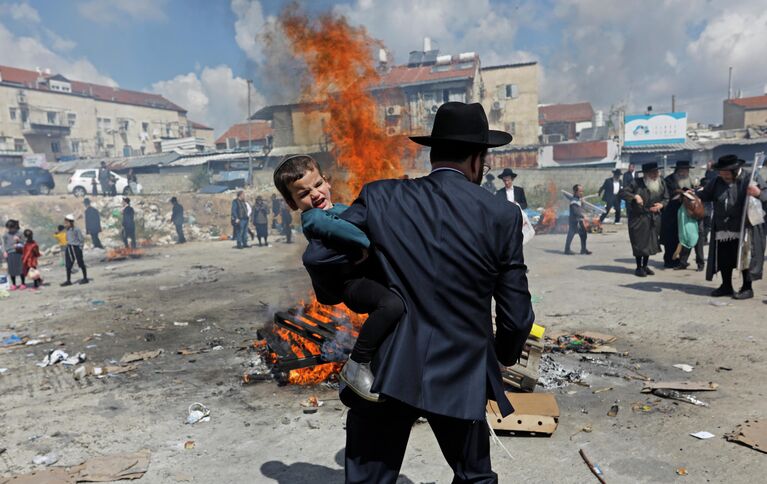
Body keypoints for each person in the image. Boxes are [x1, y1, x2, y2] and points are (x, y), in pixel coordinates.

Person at [340, 102, 534, 482]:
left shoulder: (381, 197)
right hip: (461, 367)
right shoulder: (501, 215)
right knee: (474, 476)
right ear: (478, 159)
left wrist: (352, 291)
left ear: (433, 153)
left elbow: (323, 250)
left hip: (389, 366)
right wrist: (501, 356)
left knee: (368, 479)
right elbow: (516, 315)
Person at [274, 154, 406, 401]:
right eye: (303, 194)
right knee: (392, 305)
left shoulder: (342, 209)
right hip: (351, 285)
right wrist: (369, 244)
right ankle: (357, 362)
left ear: (327, 181)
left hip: (365, 280)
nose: (314, 194)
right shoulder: (313, 218)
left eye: (317, 185)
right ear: (292, 204)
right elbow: (341, 228)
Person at [697, 154, 767, 300]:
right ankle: (726, 286)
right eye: (721, 173)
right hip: (724, 227)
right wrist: (693, 194)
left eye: (727, 174)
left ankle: (747, 288)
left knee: (745, 258)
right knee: (724, 258)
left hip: (745, 227)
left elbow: (765, 194)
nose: (724, 176)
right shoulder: (716, 181)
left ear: (736, 170)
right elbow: (705, 195)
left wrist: (758, 193)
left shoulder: (751, 178)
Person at [622, 162, 669, 277]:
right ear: (646, 174)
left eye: (656, 172)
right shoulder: (636, 183)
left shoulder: (661, 182)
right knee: (639, 243)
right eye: (653, 173)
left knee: (649, 243)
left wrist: (661, 205)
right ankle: (638, 267)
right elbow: (623, 193)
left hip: (654, 218)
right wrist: (635, 196)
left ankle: (645, 266)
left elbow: (666, 197)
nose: (655, 174)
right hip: (639, 218)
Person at [661, 160, 695, 268]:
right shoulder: (669, 180)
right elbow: (666, 195)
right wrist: (678, 192)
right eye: (684, 170)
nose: (686, 172)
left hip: (684, 214)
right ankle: (669, 260)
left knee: (682, 237)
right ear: (678, 170)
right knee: (670, 239)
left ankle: (680, 259)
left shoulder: (689, 180)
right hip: (671, 214)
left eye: (687, 170)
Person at [565, 184, 592, 255]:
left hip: (579, 220)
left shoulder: (578, 200)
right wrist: (584, 215)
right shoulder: (573, 201)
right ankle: (567, 249)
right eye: (580, 191)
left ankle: (583, 249)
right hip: (574, 221)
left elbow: (582, 208)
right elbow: (576, 212)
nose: (582, 193)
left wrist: (582, 203)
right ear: (575, 192)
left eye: (582, 191)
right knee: (571, 234)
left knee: (583, 235)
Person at [62, 214, 88, 286]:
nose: (65, 224)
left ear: (71, 222)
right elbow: (67, 239)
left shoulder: (76, 229)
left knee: (80, 263)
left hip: (76, 248)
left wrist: (80, 248)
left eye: (67, 223)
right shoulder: (67, 230)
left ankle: (85, 278)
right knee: (68, 265)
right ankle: (68, 280)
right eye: (65, 223)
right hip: (69, 248)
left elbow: (81, 239)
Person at [2, 219, 25, 290]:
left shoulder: (20, 233)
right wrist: (4, 252)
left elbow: (25, 243)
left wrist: (19, 240)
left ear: (15, 226)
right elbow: (3, 245)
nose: (10, 229)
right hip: (10, 253)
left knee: (21, 269)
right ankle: (14, 284)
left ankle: (23, 283)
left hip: (19, 252)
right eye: (9, 228)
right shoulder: (5, 235)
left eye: (11, 228)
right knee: (11, 270)